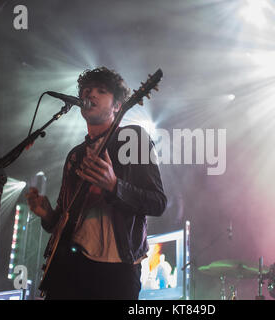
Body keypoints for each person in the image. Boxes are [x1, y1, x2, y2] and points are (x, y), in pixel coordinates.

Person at [26, 66, 167, 299]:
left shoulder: (133, 139)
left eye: (101, 91)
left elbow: (157, 202)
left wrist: (114, 186)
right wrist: (47, 214)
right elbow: (63, 220)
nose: (90, 95)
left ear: (117, 106)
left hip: (117, 269)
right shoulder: (75, 155)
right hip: (69, 266)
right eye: (86, 90)